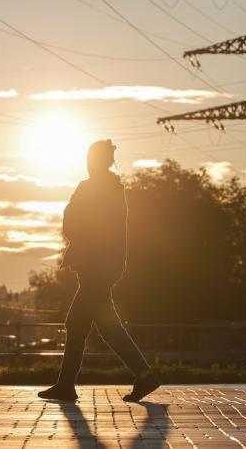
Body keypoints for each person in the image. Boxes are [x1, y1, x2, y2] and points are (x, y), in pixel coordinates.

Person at [39, 139, 160, 402]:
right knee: (104, 325)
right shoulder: (115, 189)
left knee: (78, 323)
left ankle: (67, 385)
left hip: (95, 265)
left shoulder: (91, 188)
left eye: (90, 158)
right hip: (106, 265)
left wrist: (78, 228)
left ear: (95, 161)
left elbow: (71, 220)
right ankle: (142, 375)